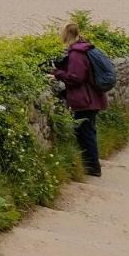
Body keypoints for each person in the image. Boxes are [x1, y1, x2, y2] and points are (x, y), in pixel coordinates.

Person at [51, 22, 108, 177]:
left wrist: (57, 73)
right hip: (91, 98)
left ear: (66, 34)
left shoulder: (76, 53)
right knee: (88, 132)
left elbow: (76, 78)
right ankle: (90, 165)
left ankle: (92, 168)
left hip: (85, 100)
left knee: (85, 133)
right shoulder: (84, 48)